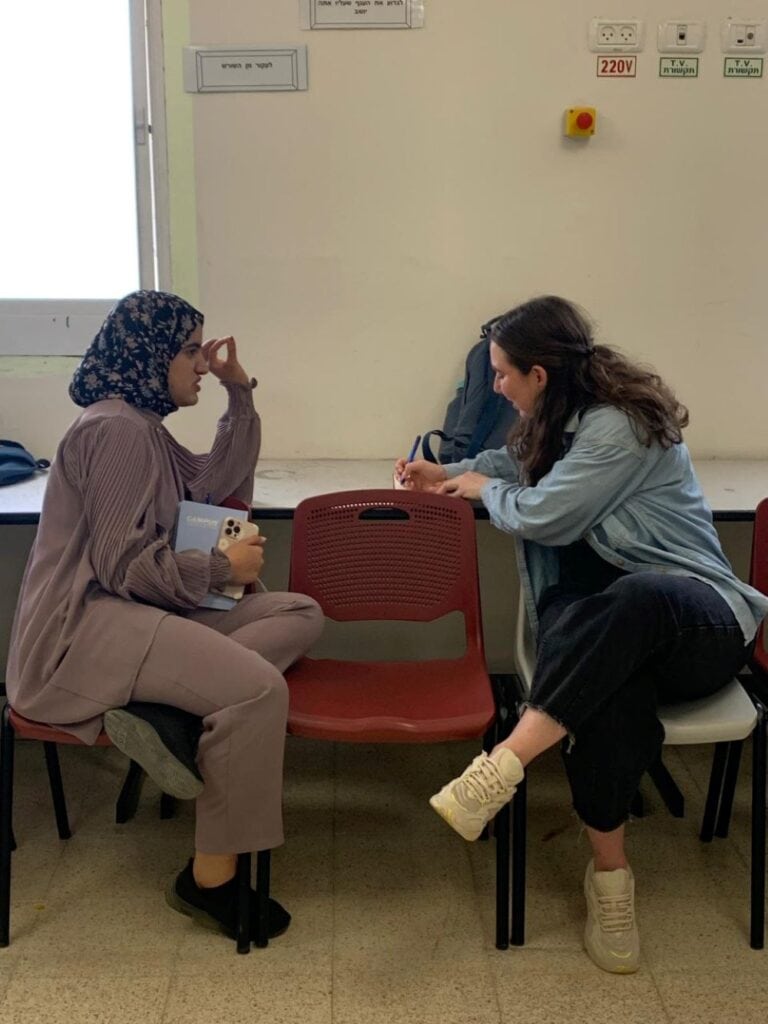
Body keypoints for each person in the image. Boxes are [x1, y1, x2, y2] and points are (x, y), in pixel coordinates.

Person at [396, 295, 768, 974]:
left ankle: (505, 762)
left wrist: (480, 488)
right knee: (607, 698)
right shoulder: (549, 423)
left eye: (505, 373)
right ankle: (611, 881)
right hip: (593, 638)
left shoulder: (619, 425)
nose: (497, 385)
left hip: (696, 621)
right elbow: (517, 469)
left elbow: (549, 515)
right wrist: (449, 474)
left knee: (637, 593)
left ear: (541, 374)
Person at [6, 290, 324, 944]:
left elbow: (214, 487)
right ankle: (209, 880)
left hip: (130, 615)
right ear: (148, 354)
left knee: (298, 611)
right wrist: (218, 571)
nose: (201, 364)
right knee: (260, 690)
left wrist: (240, 395)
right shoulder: (116, 430)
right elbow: (123, 564)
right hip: (82, 634)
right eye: (187, 351)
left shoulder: (140, 425)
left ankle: (171, 711)